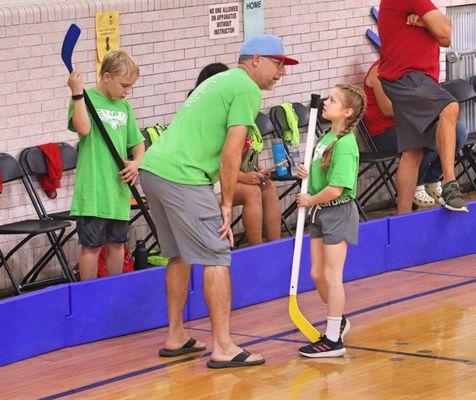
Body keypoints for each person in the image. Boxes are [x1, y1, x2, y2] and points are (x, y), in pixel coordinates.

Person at [139, 34, 298, 368]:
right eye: (278, 63)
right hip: (183, 176)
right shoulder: (245, 89)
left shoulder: (221, 81)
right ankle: (223, 346)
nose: (281, 72)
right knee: (217, 254)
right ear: (254, 59)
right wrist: (226, 203)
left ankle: (176, 336)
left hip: (153, 169)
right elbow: (230, 153)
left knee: (179, 254)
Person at [295, 84, 366, 358]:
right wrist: (307, 175)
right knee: (317, 274)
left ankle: (334, 338)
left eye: (333, 100)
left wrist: (310, 200)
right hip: (321, 213)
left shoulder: (346, 146)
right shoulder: (327, 138)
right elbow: (322, 177)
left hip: (337, 212)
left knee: (333, 276)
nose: (326, 102)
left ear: (346, 112)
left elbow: (337, 188)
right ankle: (340, 319)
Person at [378, 0, 467, 213]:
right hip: (409, 76)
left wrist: (425, 23)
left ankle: (403, 218)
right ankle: (449, 185)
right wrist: (430, 25)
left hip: (402, 78)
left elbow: (445, 33)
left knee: (413, 152)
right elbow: (445, 32)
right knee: (450, 107)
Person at [67, 50, 145, 281]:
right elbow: (82, 128)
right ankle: (90, 293)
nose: (127, 91)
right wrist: (76, 93)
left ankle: (115, 291)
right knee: (91, 246)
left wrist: (136, 164)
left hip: (118, 189)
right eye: (124, 85)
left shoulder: (124, 106)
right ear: (107, 77)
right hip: (93, 190)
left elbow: (138, 144)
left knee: (118, 243)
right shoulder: (85, 98)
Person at [190, 62, 282, 245]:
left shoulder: (235, 112)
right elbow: (220, 160)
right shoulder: (207, 116)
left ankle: (276, 246)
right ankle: (256, 249)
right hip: (208, 180)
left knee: (268, 187)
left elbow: (245, 151)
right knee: (252, 192)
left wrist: (257, 170)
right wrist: (243, 178)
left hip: (231, 173)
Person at [364, 60, 468, 207]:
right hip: (384, 133)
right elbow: (387, 108)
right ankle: (416, 183)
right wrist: (420, 109)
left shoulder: (416, 71)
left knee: (458, 130)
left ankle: (433, 178)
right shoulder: (379, 71)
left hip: (411, 126)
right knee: (428, 134)